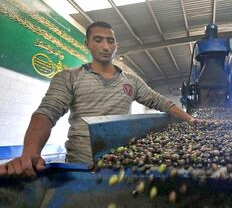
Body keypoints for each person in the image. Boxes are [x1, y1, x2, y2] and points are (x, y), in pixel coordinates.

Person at [0, 21, 201, 177]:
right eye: (98, 40)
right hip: (79, 168)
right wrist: (30, 152)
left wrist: (191, 120)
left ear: (116, 45)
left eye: (110, 40)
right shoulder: (69, 77)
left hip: (122, 165)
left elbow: (161, 102)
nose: (105, 45)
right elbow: (47, 112)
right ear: (87, 43)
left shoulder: (132, 81)